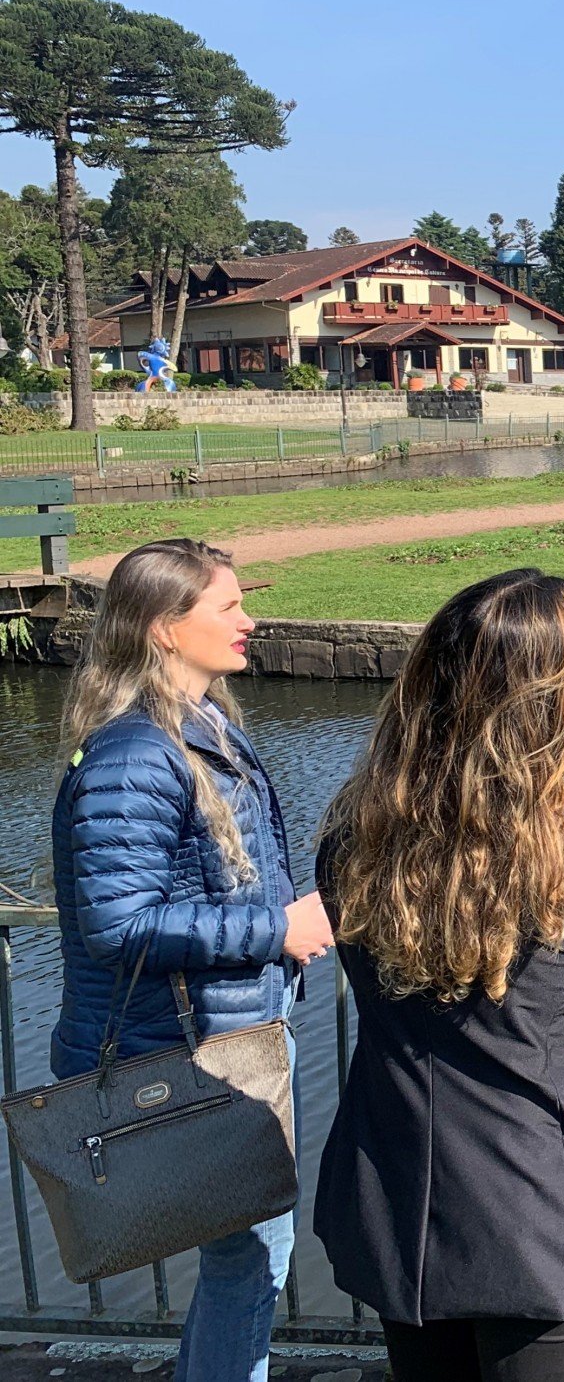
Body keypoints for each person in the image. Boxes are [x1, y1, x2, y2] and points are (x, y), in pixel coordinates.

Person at [314, 569, 564, 1382]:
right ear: (552, 701)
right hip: (543, 1212)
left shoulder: (352, 837)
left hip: (398, 1199)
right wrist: (550, 1100)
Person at [50, 537, 332, 1382]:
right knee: (251, 1256)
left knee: (248, 1256)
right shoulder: (137, 753)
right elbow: (117, 923)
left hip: (227, 1043)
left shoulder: (196, 728)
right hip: (192, 1057)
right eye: (228, 607)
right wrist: (273, 931)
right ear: (166, 628)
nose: (249, 621)